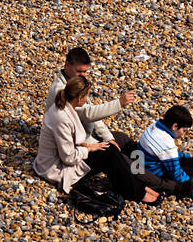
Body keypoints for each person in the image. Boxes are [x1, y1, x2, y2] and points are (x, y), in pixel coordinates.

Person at [35, 76, 158, 205]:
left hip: (67, 156)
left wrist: (99, 142)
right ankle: (137, 192)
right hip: (56, 169)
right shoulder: (61, 117)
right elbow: (68, 158)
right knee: (109, 152)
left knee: (113, 145)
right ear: (79, 98)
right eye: (87, 96)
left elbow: (73, 138)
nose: (88, 100)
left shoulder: (65, 106)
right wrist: (88, 148)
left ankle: (136, 185)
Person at [46, 46, 135, 143]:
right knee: (114, 154)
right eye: (79, 71)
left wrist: (108, 137)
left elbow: (92, 114)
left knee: (125, 141)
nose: (83, 75)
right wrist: (119, 103)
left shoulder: (77, 82)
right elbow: (87, 113)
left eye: (85, 71)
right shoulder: (60, 90)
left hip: (87, 133)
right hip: (75, 143)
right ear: (67, 65)